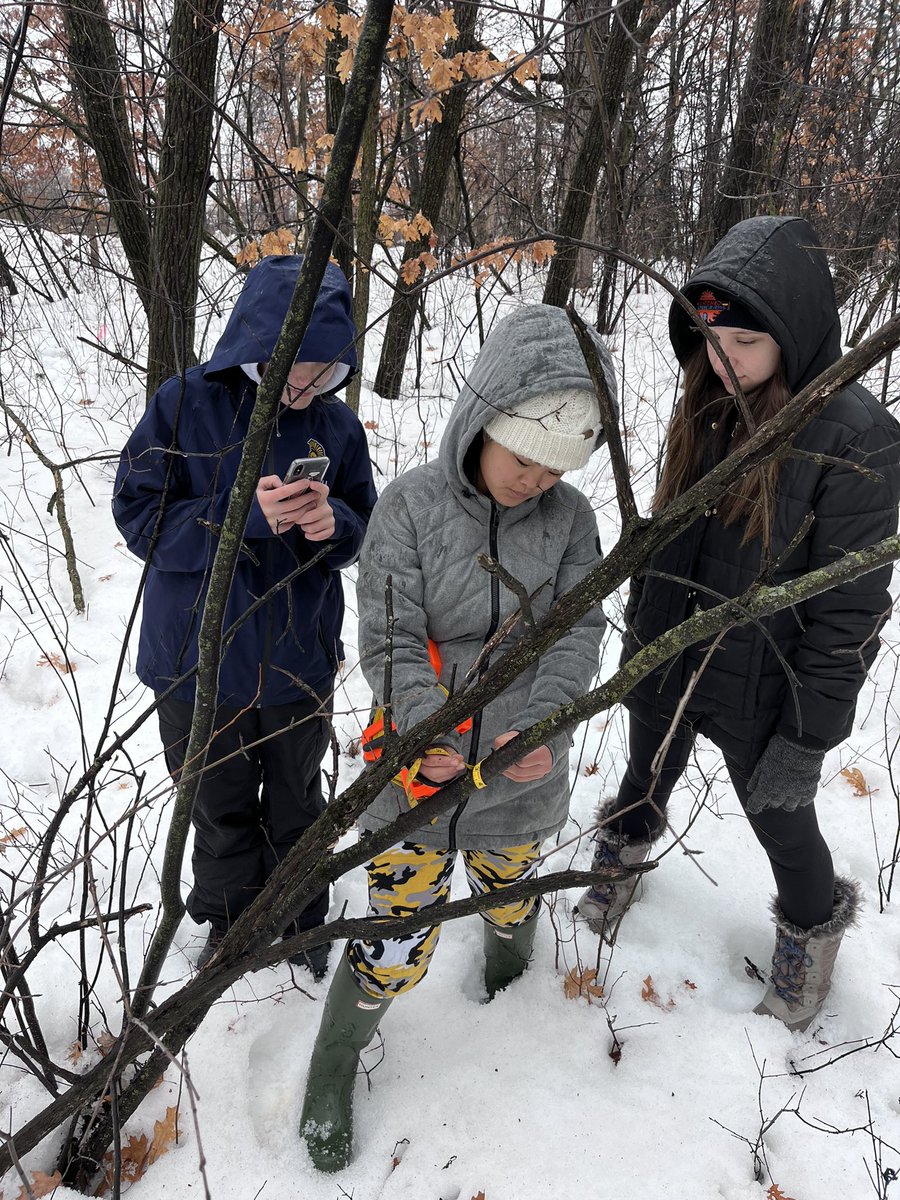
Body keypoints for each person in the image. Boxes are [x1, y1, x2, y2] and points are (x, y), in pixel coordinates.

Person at [298, 304, 614, 1172]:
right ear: (484, 421)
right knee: (399, 932)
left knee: (512, 895)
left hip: (521, 781)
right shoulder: (409, 506)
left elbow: (576, 632)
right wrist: (420, 725)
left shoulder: (571, 522)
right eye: (525, 459)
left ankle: (510, 983)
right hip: (419, 782)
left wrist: (538, 724)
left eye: (558, 469)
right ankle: (334, 1060)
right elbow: (388, 632)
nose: (537, 482)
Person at [576, 216, 900, 1032]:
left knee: (784, 827)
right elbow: (665, 540)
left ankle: (808, 946)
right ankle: (618, 863)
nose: (720, 360)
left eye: (743, 342)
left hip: (770, 684)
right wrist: (643, 644)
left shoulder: (859, 440)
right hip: (674, 655)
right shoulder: (710, 401)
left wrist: (807, 738)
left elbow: (851, 614)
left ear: (791, 333)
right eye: (708, 338)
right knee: (642, 777)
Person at [113, 255, 377, 976]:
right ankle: (229, 925)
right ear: (256, 341)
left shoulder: (337, 427)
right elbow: (138, 515)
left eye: (324, 373)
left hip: (297, 659)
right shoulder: (183, 403)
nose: (304, 386)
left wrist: (335, 527)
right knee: (217, 802)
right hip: (196, 661)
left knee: (297, 800)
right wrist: (238, 517)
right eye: (293, 367)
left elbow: (364, 521)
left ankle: (297, 922)